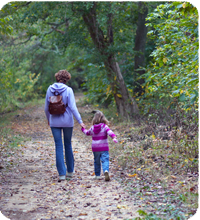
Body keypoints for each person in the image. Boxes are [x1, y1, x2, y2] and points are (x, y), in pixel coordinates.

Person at [44, 70, 85, 182]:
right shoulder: (68, 90)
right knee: (68, 145)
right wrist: (80, 121)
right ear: (67, 79)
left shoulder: (49, 89)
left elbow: (46, 108)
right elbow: (73, 107)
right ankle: (70, 172)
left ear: (57, 78)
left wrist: (49, 120)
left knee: (58, 146)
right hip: (67, 122)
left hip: (54, 122)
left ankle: (61, 174)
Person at [81, 111, 118, 181]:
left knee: (96, 161)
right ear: (103, 118)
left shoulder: (92, 128)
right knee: (105, 160)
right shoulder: (104, 126)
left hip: (95, 148)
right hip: (104, 147)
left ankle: (97, 175)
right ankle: (105, 171)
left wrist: (83, 129)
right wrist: (114, 137)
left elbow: (87, 133)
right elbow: (110, 132)